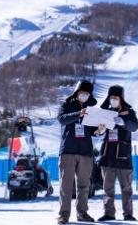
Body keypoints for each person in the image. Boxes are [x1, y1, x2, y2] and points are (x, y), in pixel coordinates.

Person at [57, 80, 99, 224]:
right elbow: (62, 119)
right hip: (68, 150)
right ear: (76, 93)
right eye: (82, 93)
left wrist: (100, 130)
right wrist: (78, 114)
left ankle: (82, 213)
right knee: (66, 184)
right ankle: (63, 215)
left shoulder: (91, 110)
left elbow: (91, 130)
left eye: (87, 94)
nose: (84, 96)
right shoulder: (66, 106)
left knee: (84, 185)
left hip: (86, 152)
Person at [97, 85, 138, 222]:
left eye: (115, 98)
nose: (113, 100)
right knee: (108, 189)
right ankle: (108, 213)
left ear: (121, 98)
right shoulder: (104, 112)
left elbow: (135, 126)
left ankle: (128, 213)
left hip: (123, 156)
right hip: (107, 157)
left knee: (126, 188)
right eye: (111, 98)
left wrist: (123, 122)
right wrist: (100, 130)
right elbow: (96, 129)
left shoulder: (128, 112)